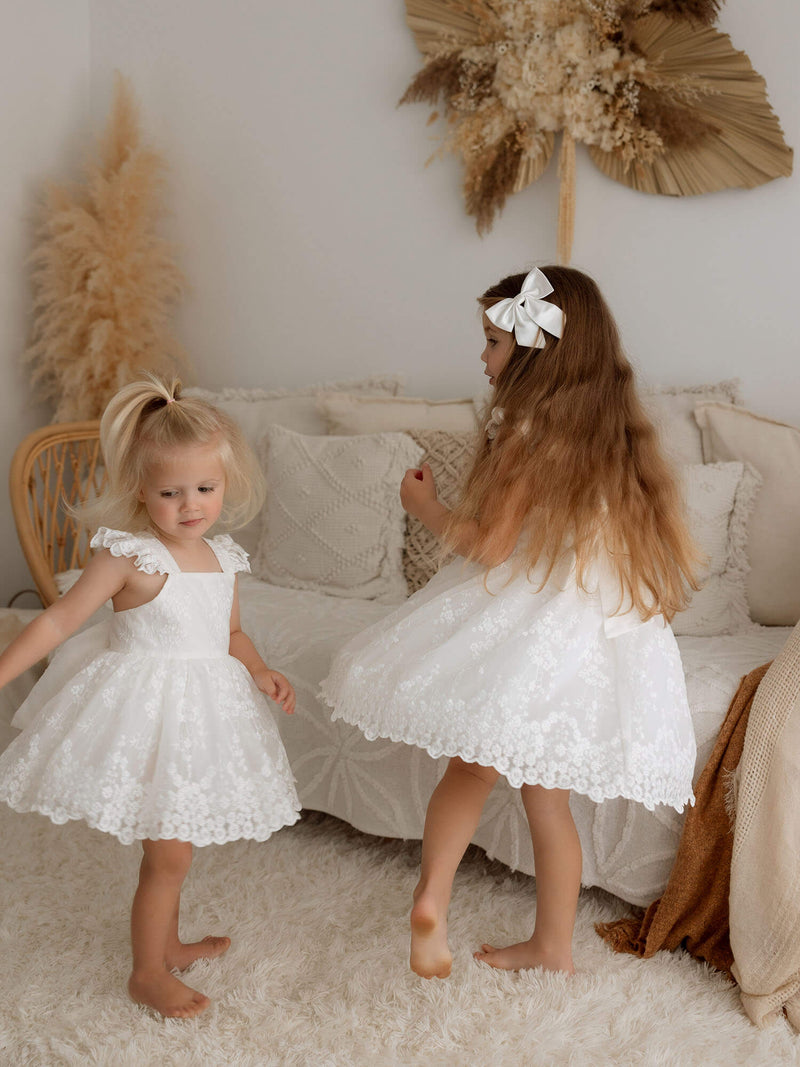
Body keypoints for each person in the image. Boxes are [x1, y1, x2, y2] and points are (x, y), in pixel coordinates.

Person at [320, 266, 700, 981]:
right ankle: (552, 945)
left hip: (526, 623)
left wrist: (424, 507)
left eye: (493, 341)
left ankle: (432, 895)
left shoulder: (523, 429)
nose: (483, 356)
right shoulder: (609, 436)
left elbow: (490, 545)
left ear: (534, 354)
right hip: (582, 633)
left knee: (468, 767)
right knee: (547, 801)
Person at [0, 375, 301, 1018]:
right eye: (170, 493)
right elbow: (59, 620)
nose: (190, 506)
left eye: (205, 489)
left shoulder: (223, 558)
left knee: (178, 842)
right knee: (167, 854)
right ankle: (146, 971)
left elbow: (232, 632)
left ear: (227, 484)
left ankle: (167, 942)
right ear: (140, 491)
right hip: (145, 714)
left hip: (202, 720)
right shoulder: (129, 556)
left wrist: (260, 670)